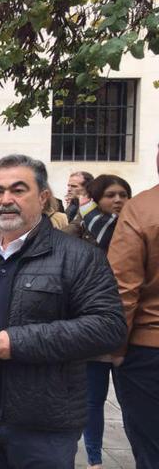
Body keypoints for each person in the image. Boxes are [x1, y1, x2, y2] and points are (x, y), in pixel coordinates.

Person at [0, 154, 126, 468]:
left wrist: (20, 342)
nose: (6, 200)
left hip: (44, 424)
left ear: (43, 197)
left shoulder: (79, 257)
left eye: (18, 190)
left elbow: (108, 326)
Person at [60, 174, 131, 469]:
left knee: (132, 402)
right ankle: (94, 459)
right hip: (92, 322)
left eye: (123, 195)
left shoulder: (135, 229)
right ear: (98, 198)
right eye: (110, 195)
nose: (117, 200)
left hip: (130, 326)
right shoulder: (78, 227)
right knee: (92, 400)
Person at [108, 147, 159, 469]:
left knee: (151, 447)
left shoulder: (142, 208)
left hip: (148, 349)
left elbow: (123, 287)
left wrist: (116, 346)